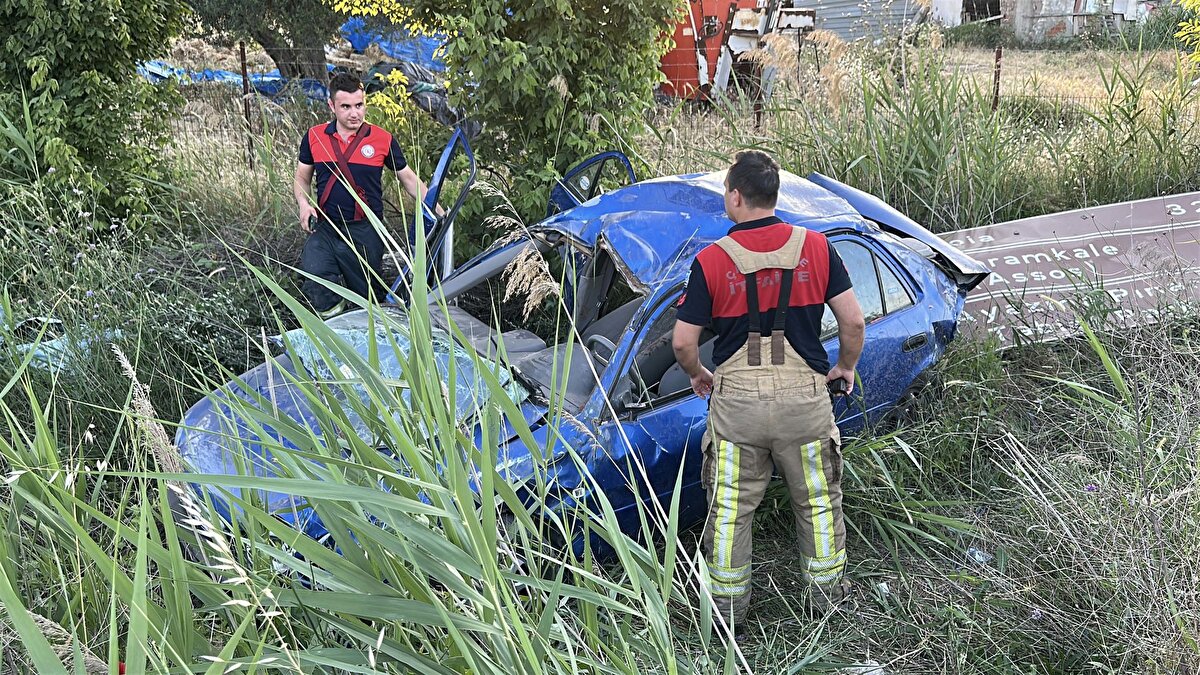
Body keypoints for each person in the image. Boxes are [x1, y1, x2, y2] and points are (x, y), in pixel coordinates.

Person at [672, 150, 865, 628]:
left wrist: (698, 373)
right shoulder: (818, 248)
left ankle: (726, 612)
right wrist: (845, 366)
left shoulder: (711, 261)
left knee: (731, 509)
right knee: (818, 501)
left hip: (738, 408)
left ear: (735, 197)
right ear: (774, 196)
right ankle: (826, 601)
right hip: (805, 402)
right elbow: (854, 320)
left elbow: (681, 342)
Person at [294, 72, 435, 316]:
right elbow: (301, 178)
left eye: (359, 105)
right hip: (327, 228)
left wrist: (438, 211)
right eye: (346, 106)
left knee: (367, 299)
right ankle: (335, 329)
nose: (354, 113)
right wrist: (304, 205)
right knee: (316, 276)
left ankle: (368, 336)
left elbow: (409, 179)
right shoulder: (314, 137)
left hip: (365, 231)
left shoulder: (382, 139)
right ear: (332, 106)